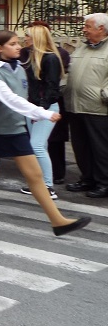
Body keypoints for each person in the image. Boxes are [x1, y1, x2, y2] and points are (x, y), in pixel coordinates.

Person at [0, 30, 90, 236]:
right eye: (12, 44)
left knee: (35, 175)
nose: (19, 46)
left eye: (18, 42)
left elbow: (24, 96)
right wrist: (41, 113)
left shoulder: (19, 68)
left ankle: (58, 221)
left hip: (16, 129)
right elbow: (11, 99)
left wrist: (35, 112)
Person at [19, 22, 65, 200]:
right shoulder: (34, 56)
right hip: (35, 108)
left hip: (44, 108)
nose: (25, 38)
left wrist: (41, 110)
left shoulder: (50, 59)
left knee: (36, 145)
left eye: (28, 35)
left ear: (36, 38)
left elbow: (52, 88)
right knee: (40, 146)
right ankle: (40, 184)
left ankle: (47, 186)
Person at [64, 13, 108, 197]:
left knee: (100, 148)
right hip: (75, 106)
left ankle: (104, 183)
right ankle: (87, 179)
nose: (84, 30)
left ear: (101, 29)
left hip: (98, 108)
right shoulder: (82, 47)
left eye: (88, 26)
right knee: (80, 146)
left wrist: (104, 95)